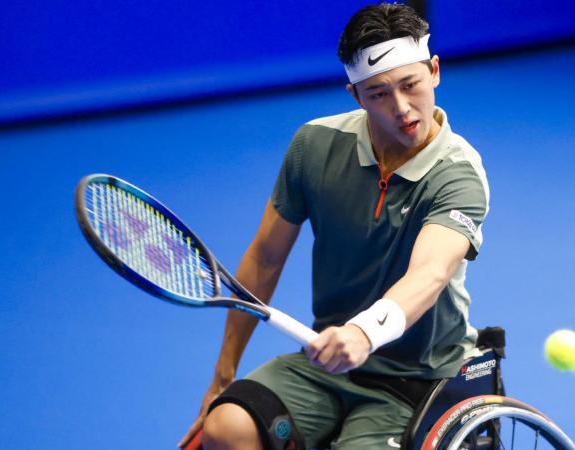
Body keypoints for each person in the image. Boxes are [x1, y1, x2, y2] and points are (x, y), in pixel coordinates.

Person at [179, 3, 489, 449]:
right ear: (355, 95)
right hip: (325, 363)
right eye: (379, 93)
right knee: (226, 427)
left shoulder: (457, 172)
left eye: (410, 84)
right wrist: (223, 375)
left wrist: (365, 332)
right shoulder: (315, 146)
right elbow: (265, 258)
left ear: (434, 71)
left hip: (418, 380)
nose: (402, 108)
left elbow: (430, 274)